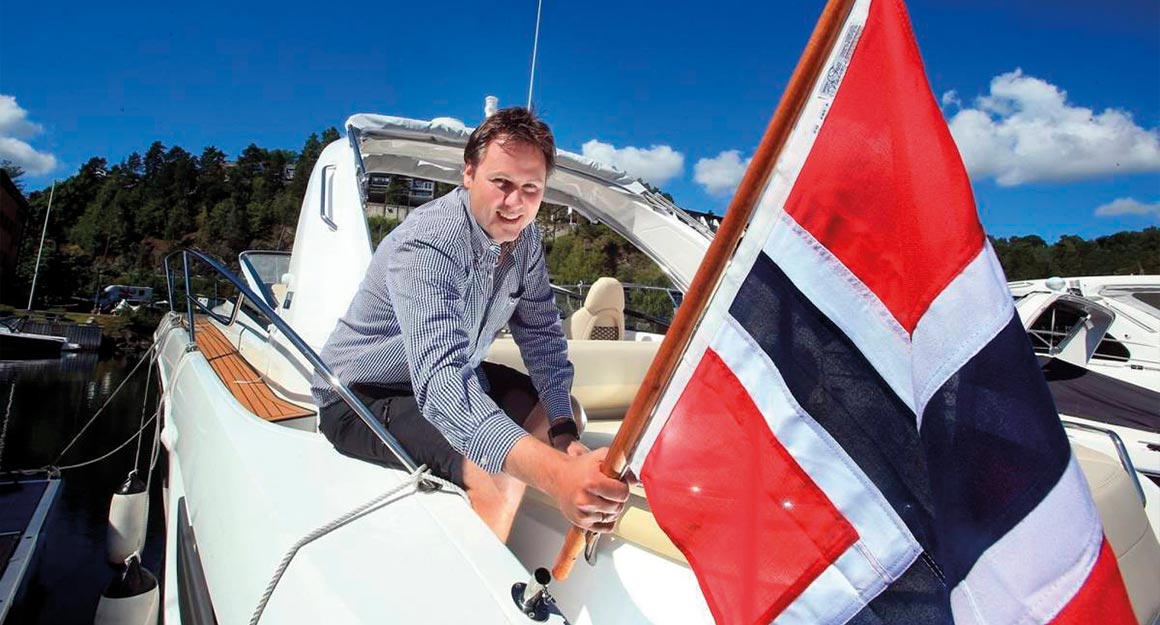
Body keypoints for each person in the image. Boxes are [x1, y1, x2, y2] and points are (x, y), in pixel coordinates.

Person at [311, 107, 628, 541]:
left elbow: (542, 338)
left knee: (564, 411)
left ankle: (508, 518)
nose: (515, 202)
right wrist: (558, 477)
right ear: (469, 173)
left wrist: (563, 439)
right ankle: (483, 592)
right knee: (491, 471)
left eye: (530, 188)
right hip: (361, 395)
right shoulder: (428, 244)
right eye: (501, 183)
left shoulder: (525, 239)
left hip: (462, 375)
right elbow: (442, 386)